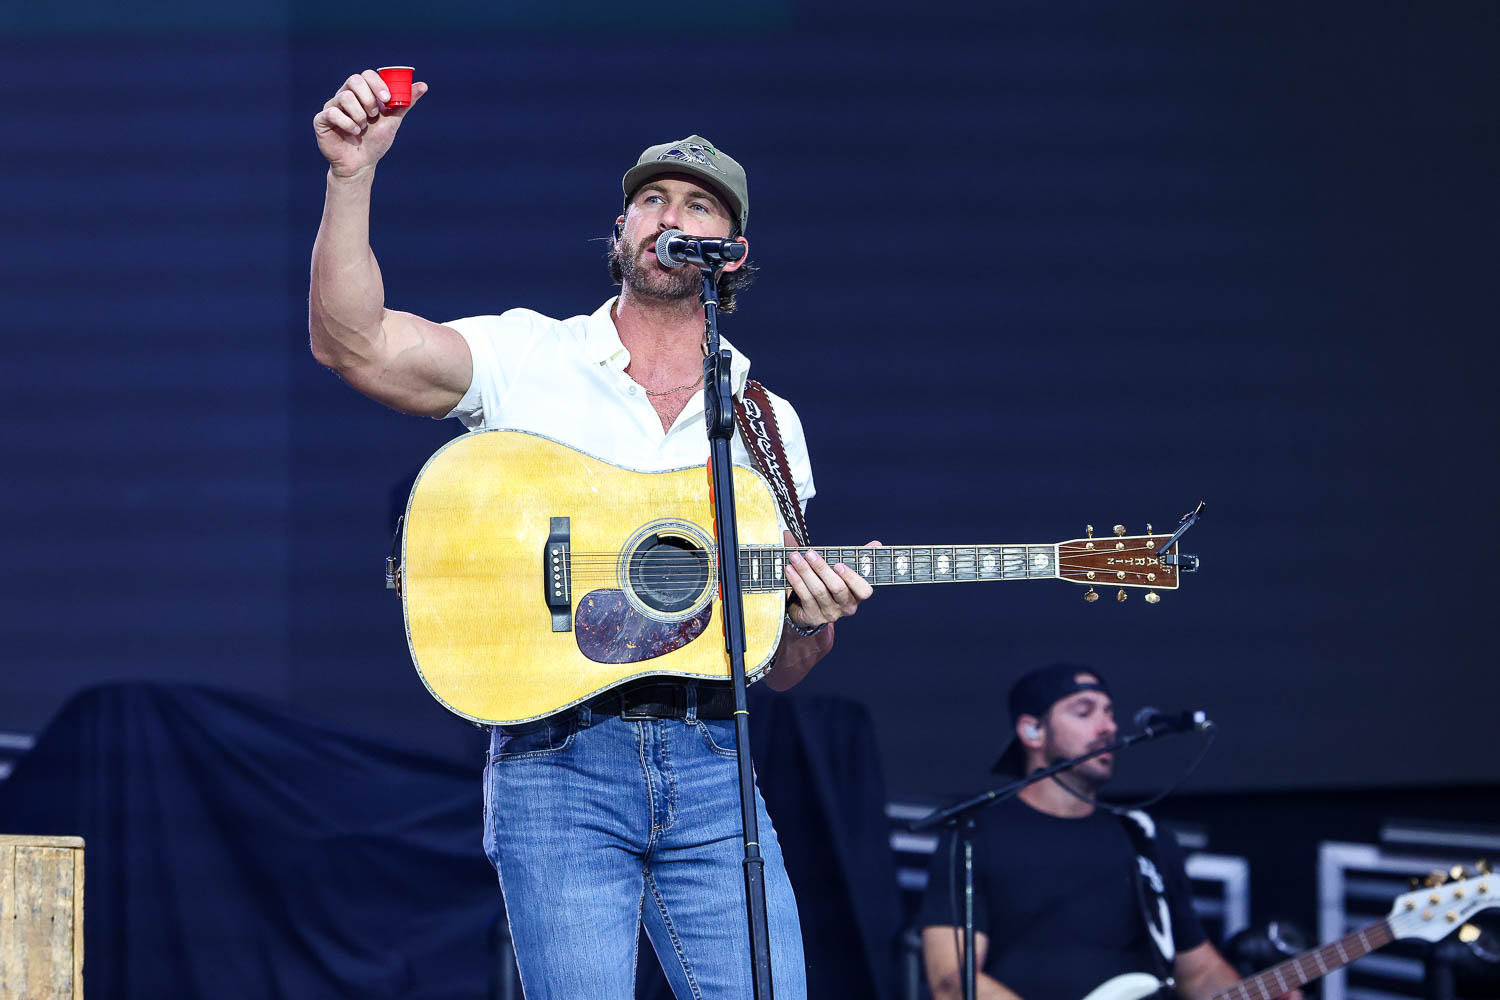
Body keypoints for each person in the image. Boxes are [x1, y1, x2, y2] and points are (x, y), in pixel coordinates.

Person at [308, 69, 877, 999]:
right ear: (621, 231)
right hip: (555, 762)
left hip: (712, 767)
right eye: (650, 199)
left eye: (695, 205)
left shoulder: (766, 422)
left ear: (728, 252)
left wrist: (814, 618)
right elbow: (354, 343)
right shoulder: (530, 356)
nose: (667, 216)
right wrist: (350, 177)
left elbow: (779, 667)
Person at [917, 664, 1302, 1000]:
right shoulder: (974, 835)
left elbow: (1198, 972)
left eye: (1110, 714)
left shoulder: (1144, 838)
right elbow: (953, 981)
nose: (1109, 728)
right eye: (1084, 712)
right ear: (1032, 731)